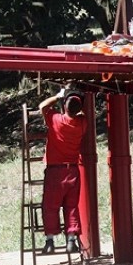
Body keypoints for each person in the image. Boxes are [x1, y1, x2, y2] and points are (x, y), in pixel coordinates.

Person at [39, 89, 87, 254]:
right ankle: (71, 240)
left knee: (50, 206)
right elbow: (83, 112)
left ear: (64, 106)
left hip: (54, 171)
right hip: (73, 170)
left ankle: (50, 241)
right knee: (71, 206)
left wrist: (58, 96)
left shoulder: (55, 119)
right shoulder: (82, 123)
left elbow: (42, 106)